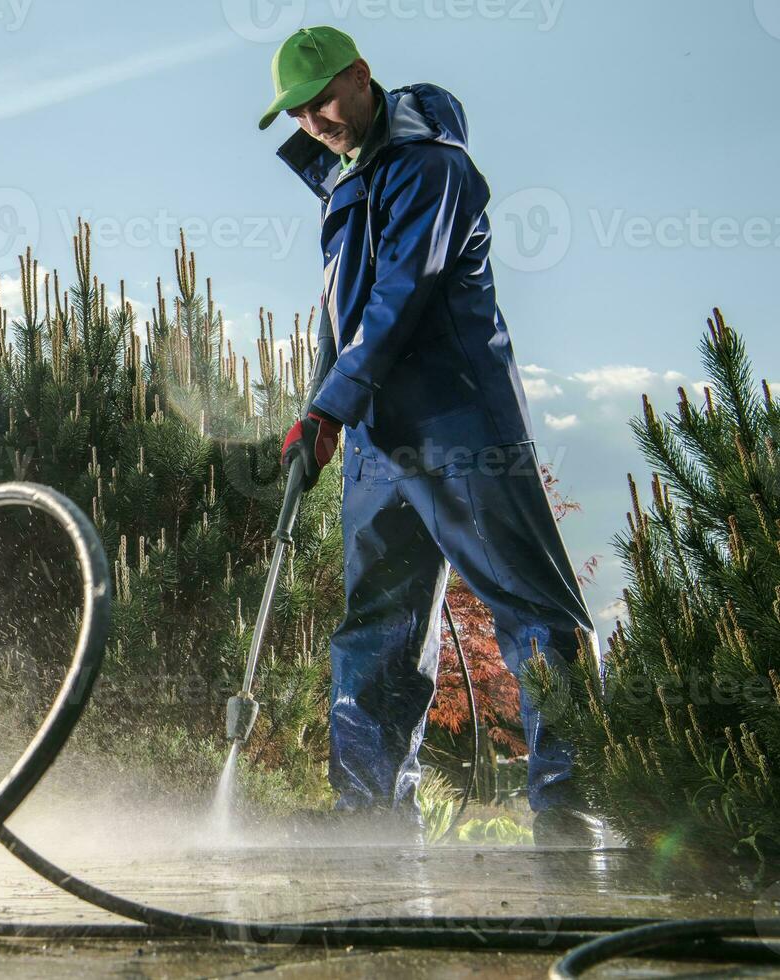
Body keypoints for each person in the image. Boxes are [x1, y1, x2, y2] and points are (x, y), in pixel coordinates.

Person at [259, 25, 603, 847]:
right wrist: (320, 414)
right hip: (379, 437)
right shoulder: (347, 183)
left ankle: (570, 807)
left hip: (458, 422)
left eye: (326, 98)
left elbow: (401, 298)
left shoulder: (432, 167)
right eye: (300, 112)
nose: (316, 119)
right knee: (377, 623)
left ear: (363, 75)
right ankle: (369, 811)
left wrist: (336, 404)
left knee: (531, 609)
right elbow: (341, 323)